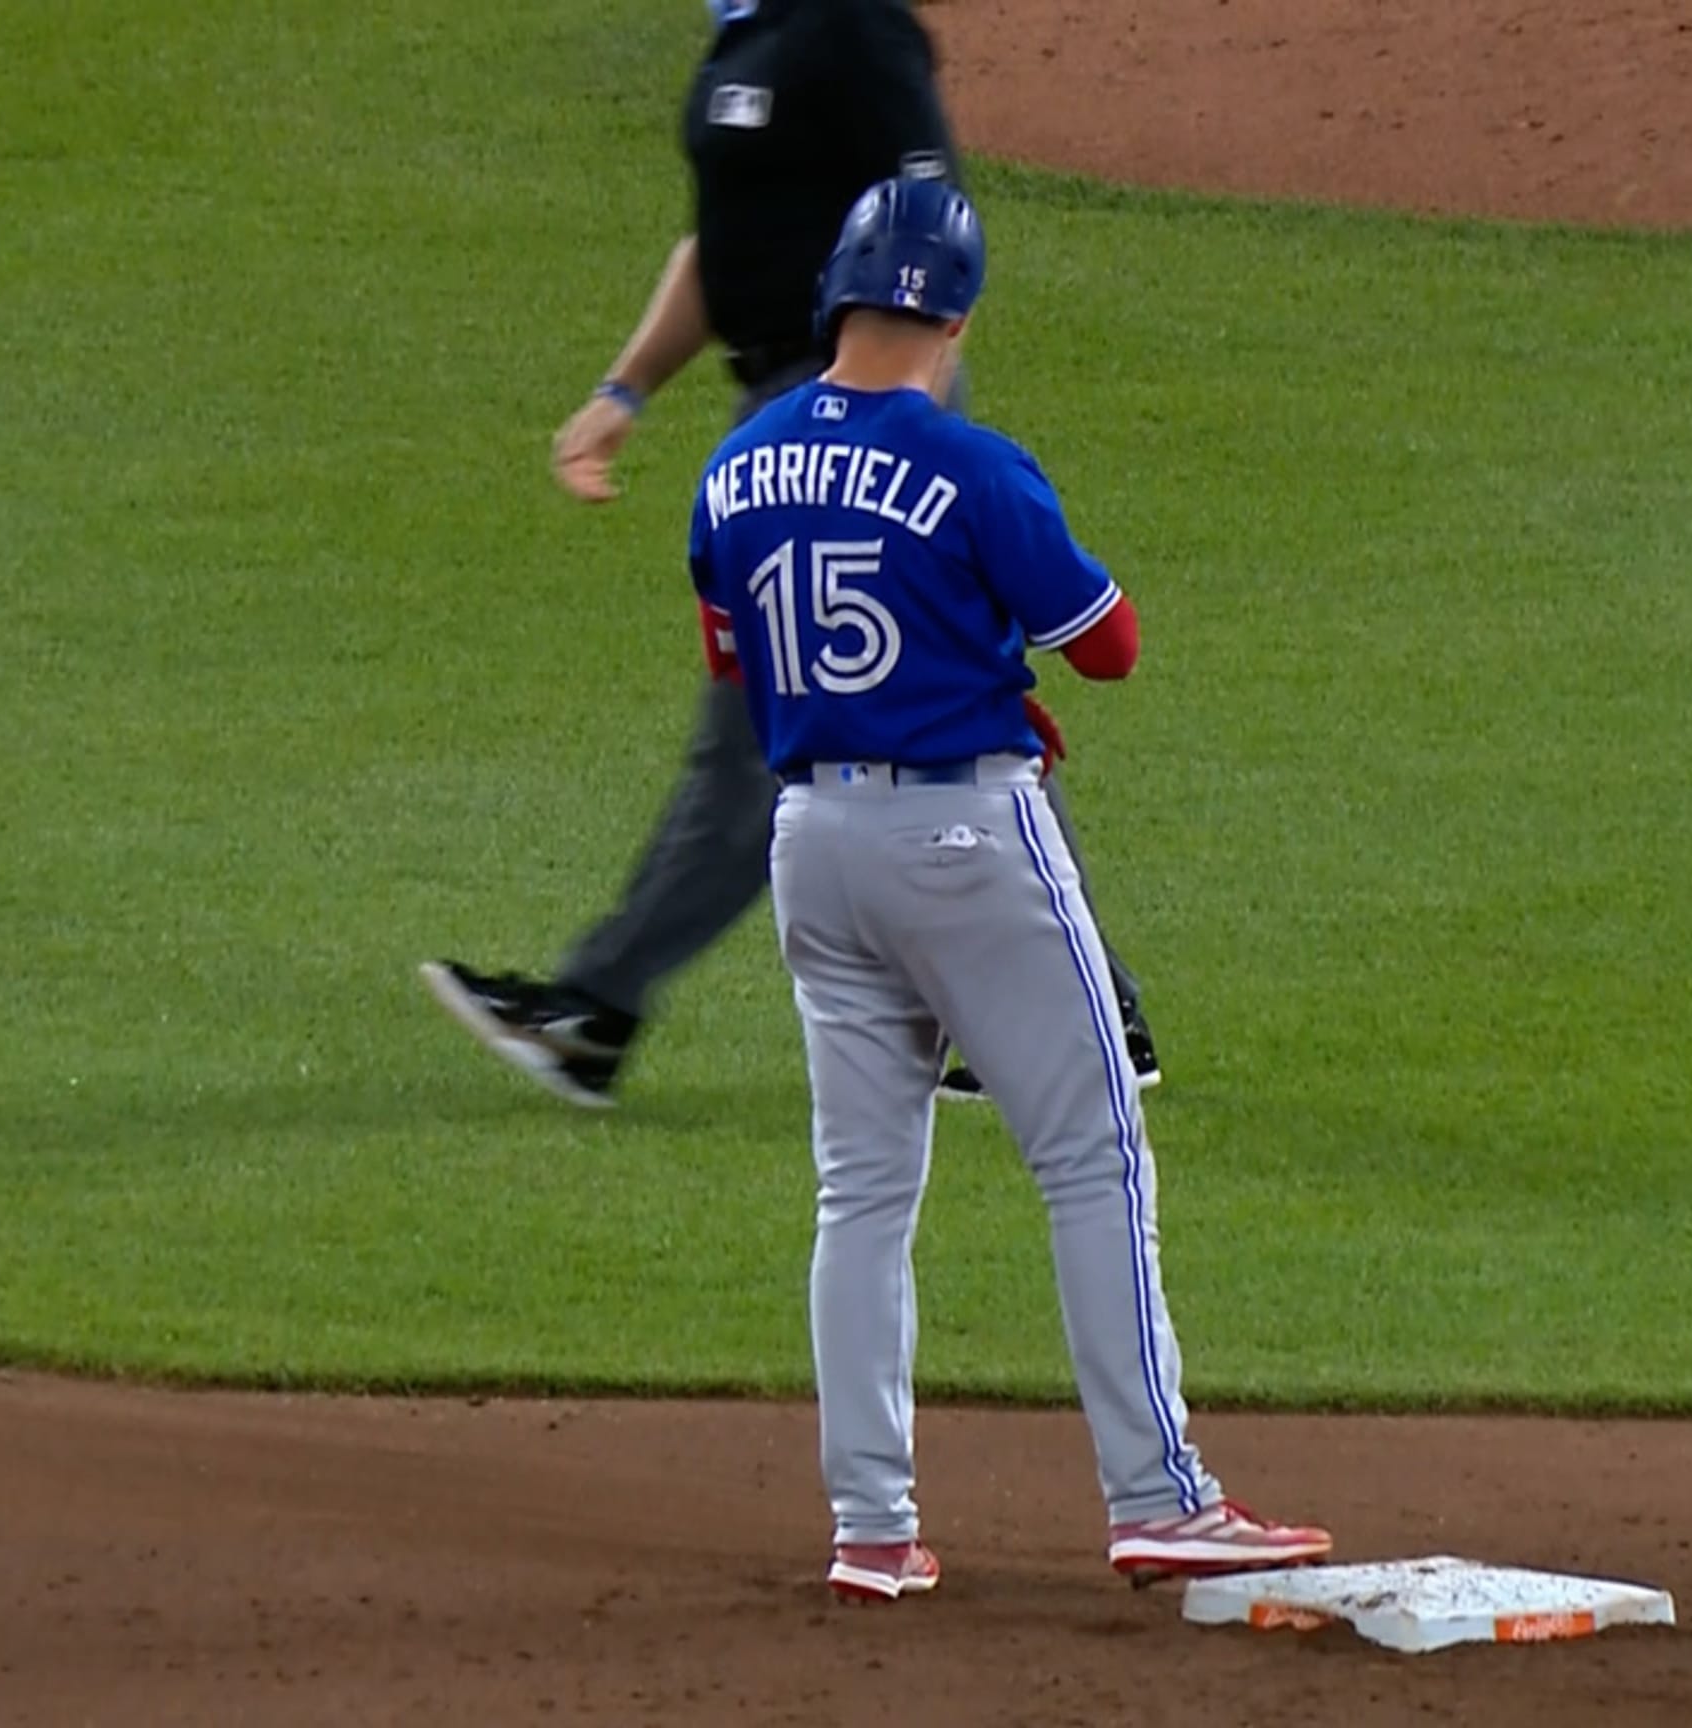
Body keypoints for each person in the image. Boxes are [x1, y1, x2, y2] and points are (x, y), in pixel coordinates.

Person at [689, 176, 1330, 1602]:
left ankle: (871, 1531)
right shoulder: (977, 468)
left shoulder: (734, 467)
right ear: (957, 313)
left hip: (811, 845)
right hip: (966, 842)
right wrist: (976, 676)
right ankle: (1161, 1495)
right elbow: (1109, 647)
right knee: (1092, 1158)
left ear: (838, 299)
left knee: (860, 1195)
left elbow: (739, 661)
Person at [418, 0, 1159, 1110]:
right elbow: (722, 248)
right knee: (929, 717)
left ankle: (596, 1011)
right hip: (779, 407)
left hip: (855, 410)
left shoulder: (853, 29)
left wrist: (906, 430)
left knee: (778, 734)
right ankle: (1099, 1004)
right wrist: (624, 392)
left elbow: (932, 219)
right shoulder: (744, 39)